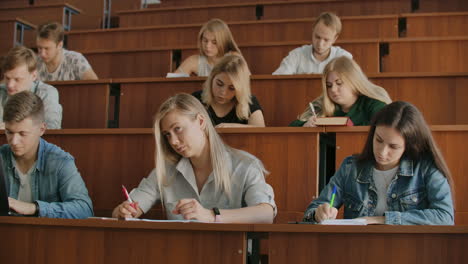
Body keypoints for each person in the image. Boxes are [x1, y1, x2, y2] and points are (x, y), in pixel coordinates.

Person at [112, 93, 276, 223]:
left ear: (201, 121)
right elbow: (124, 210)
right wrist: (123, 212)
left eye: (178, 129)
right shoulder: (165, 171)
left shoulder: (245, 165)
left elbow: (265, 214)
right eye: (167, 135)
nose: (173, 141)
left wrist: (211, 216)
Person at [304, 101, 454, 225]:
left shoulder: (426, 168)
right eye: (378, 140)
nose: (382, 152)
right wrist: (318, 214)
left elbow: (445, 217)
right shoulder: (351, 167)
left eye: (393, 146)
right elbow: (310, 214)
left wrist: (381, 220)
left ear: (410, 145)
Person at [1, 91, 93, 218]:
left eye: (22, 134)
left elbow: (84, 209)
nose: (14, 141)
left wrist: (35, 208)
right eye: (9, 132)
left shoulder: (61, 161)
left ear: (41, 129)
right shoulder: (1, 156)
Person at [290, 56, 391, 127]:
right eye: (329, 85)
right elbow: (292, 126)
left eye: (339, 83)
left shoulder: (373, 104)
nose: (333, 90)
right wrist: (305, 125)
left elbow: (387, 130)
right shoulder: (322, 104)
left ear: (354, 81)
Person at [192, 55, 265, 127]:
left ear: (240, 89)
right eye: (219, 84)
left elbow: (260, 130)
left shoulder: (249, 101)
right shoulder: (196, 99)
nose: (223, 92)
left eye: (231, 88)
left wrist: (233, 127)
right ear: (212, 78)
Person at [0, 46, 62, 129]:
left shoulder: (47, 93)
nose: (10, 85)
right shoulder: (1, 92)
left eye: (17, 79)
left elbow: (52, 129)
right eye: (7, 78)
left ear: (33, 76)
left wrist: (12, 127)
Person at [273, 12, 352, 75]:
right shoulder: (296, 55)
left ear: (335, 38)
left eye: (326, 40)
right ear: (313, 30)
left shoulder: (344, 58)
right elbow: (278, 79)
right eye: (317, 37)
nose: (320, 44)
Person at [173, 18, 244, 77]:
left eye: (214, 42)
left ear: (223, 41)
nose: (208, 46)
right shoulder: (194, 61)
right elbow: (172, 83)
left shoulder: (234, 58)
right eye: (205, 40)